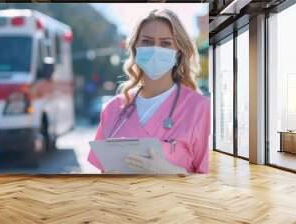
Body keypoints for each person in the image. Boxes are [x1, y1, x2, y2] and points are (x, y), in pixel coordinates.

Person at [87, 9, 211, 174]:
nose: (154, 49)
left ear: (178, 52)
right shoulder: (113, 109)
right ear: (135, 47)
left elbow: (210, 183)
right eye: (146, 41)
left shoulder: (199, 108)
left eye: (165, 43)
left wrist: (172, 173)